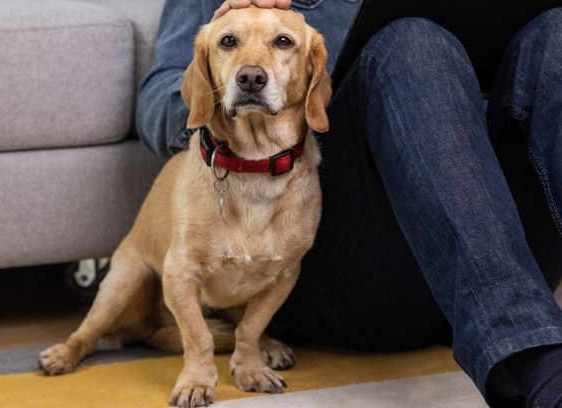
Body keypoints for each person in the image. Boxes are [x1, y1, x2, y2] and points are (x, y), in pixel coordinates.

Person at [136, 1, 562, 406]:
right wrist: (228, 100)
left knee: (557, 32)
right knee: (413, 44)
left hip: (501, 259)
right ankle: (541, 373)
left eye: (280, 44)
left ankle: (512, 324)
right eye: (230, 44)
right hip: (353, 272)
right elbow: (156, 102)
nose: (253, 63)